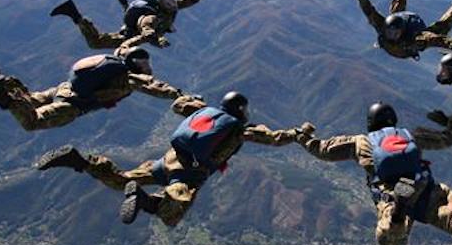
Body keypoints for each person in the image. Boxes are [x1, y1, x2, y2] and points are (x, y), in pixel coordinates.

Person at [37, 91, 309, 226]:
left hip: (165, 161)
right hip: (188, 174)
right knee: (171, 214)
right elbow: (275, 138)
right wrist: (300, 133)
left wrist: (191, 98)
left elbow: (179, 104)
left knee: (122, 180)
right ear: (241, 109)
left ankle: (81, 161)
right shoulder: (240, 130)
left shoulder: (205, 111)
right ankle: (146, 201)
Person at [295, 102, 452, 245]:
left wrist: (302, 137)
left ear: (370, 123)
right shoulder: (410, 135)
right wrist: (450, 123)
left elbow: (323, 151)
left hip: (392, 194)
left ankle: (398, 211)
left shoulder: (361, 141)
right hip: (429, 190)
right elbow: (446, 140)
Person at [0, 48, 183, 131]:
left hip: (62, 89)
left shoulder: (114, 59)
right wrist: (179, 95)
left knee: (29, 100)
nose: (148, 67)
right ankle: (2, 95)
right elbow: (154, 86)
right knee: (32, 121)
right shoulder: (128, 78)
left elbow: (128, 44)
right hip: (72, 105)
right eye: (145, 64)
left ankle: (3, 80)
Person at [49, 0, 206, 51]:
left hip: (139, 24)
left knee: (128, 10)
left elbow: (191, 0)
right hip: (132, 35)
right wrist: (159, 39)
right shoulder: (151, 17)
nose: (173, 6)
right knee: (95, 43)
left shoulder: (170, 5)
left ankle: (124, 1)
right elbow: (147, 28)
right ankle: (76, 15)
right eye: (169, 3)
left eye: (173, 2)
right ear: (160, 3)